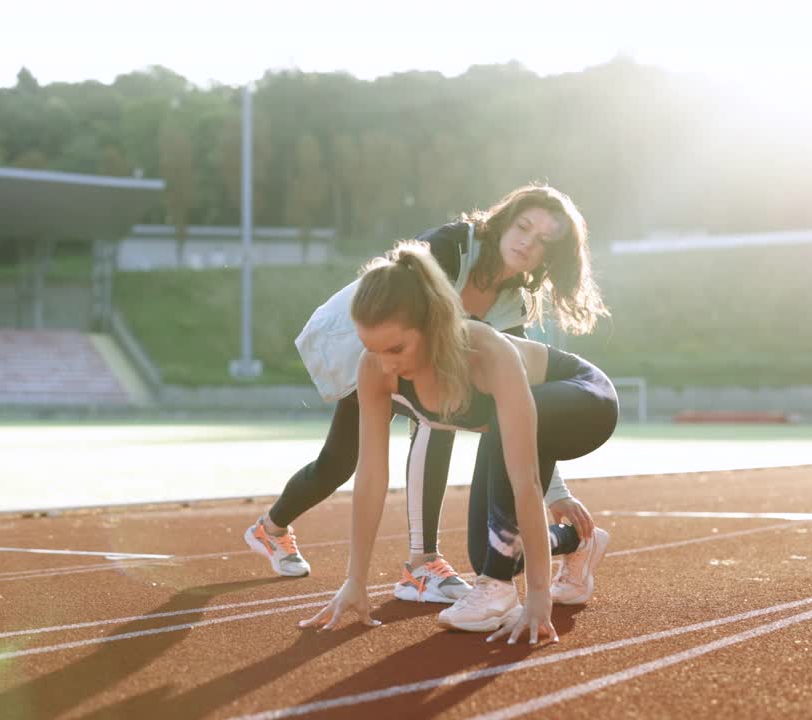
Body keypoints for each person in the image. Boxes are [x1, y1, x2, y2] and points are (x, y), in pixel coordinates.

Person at [244, 184, 601, 603]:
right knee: (338, 463)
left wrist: (555, 492)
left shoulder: (512, 303)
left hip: (423, 372)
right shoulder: (451, 249)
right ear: (505, 220)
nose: (527, 242)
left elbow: (523, 399)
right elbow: (400, 320)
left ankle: (410, 561)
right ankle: (285, 532)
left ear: (550, 256)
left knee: (437, 411)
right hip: (373, 351)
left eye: (543, 240)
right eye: (523, 226)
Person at [299, 241, 618, 643]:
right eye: (372, 349)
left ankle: (500, 591)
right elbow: (370, 479)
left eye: (397, 348)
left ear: (431, 324)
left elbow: (525, 482)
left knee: (498, 551)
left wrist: (538, 599)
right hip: (516, 424)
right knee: (488, 551)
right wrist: (355, 581)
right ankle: (580, 540)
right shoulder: (376, 369)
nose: (386, 364)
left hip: (584, 401)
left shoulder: (484, 352)